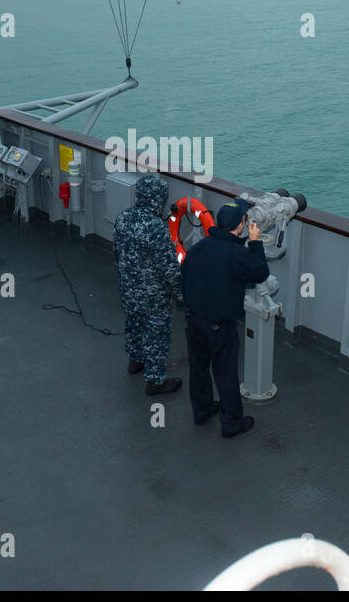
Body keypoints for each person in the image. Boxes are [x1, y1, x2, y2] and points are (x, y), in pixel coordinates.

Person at [180, 199, 269, 438]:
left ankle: (203, 411)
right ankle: (231, 423)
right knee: (226, 374)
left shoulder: (198, 248)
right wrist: (256, 242)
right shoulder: (238, 255)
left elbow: (183, 280)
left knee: (198, 370)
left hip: (194, 321)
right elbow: (260, 271)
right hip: (220, 327)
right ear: (241, 226)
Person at [113, 174, 183, 395]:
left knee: (133, 323)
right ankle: (155, 381)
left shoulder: (123, 216)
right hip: (153, 297)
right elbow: (170, 270)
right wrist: (183, 295)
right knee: (157, 334)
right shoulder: (156, 229)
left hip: (128, 288)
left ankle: (135, 360)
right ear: (158, 199)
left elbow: (116, 251)